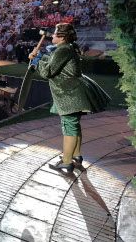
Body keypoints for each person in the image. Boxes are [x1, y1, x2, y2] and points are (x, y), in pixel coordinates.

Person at [30, 23, 109, 173]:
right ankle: (76, 155)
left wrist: (36, 62)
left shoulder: (63, 49)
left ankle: (67, 162)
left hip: (70, 95)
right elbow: (55, 61)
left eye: (54, 34)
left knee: (69, 126)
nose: (52, 36)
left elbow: (48, 72)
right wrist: (40, 56)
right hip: (74, 93)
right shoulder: (66, 48)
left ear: (62, 37)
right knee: (74, 125)